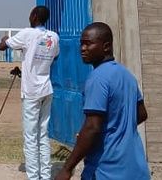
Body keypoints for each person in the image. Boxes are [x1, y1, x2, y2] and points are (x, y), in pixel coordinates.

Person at [55, 22, 150, 180]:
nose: (82, 49)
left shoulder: (97, 78)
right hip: (135, 168)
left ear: (106, 46)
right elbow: (141, 114)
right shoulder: (126, 75)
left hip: (107, 170)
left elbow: (92, 127)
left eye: (88, 43)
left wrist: (67, 168)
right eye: (81, 44)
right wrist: (118, 129)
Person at [0, 6, 60, 180]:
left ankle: (34, 177)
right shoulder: (54, 37)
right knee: (43, 134)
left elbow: (3, 46)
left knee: (31, 137)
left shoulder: (27, 34)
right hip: (46, 88)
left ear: (34, 16)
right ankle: (45, 175)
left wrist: (5, 38)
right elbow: (55, 56)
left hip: (32, 92)